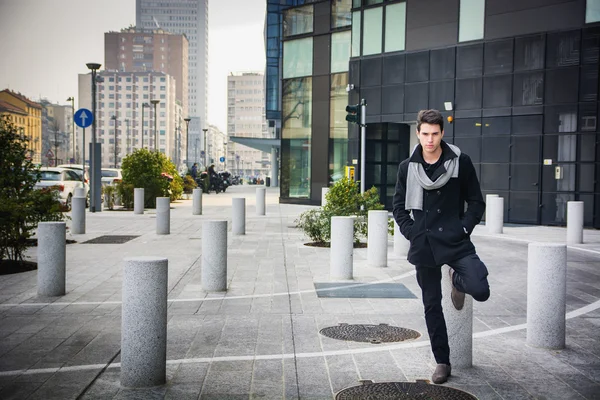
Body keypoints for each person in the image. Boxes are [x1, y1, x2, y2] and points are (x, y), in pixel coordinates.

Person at [392, 109, 490, 385]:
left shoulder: (461, 162)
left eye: (435, 134)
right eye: (425, 134)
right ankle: (442, 362)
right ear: (418, 133)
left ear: (442, 133)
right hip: (424, 243)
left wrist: (464, 227)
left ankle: (458, 280)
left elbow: (476, 202)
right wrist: (412, 232)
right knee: (431, 304)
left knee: (480, 289)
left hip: (455, 240)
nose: (430, 140)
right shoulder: (407, 167)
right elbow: (398, 206)